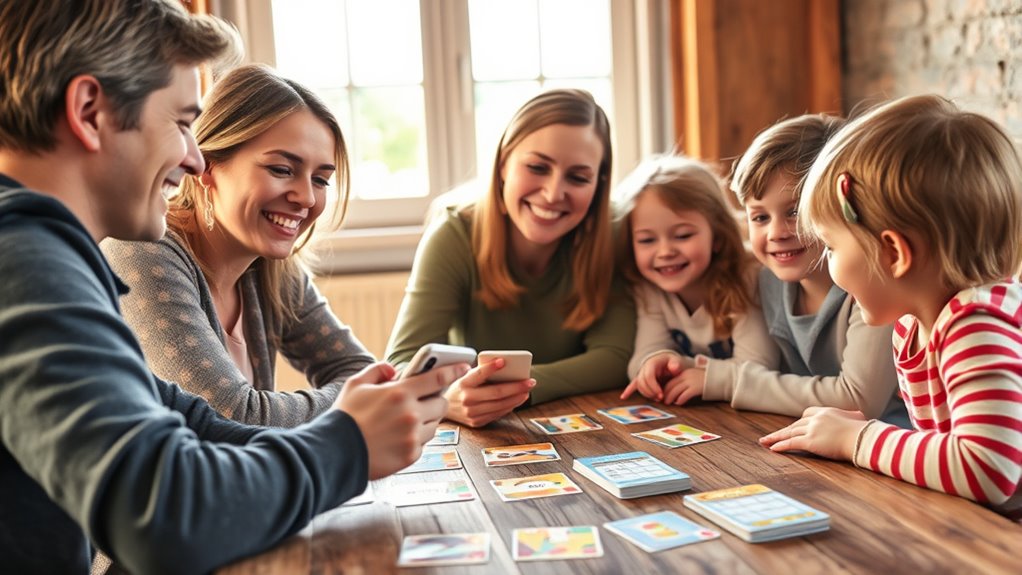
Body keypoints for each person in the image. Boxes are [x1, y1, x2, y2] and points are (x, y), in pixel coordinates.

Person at [0, 2, 461, 573]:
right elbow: (166, 514)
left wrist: (361, 421)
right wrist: (348, 441)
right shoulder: (23, 260)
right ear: (90, 110)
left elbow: (189, 418)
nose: (193, 158)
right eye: (181, 124)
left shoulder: (44, 253)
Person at [761, 95, 1022, 517]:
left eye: (831, 246)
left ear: (894, 253)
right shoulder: (911, 323)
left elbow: (987, 469)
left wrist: (856, 439)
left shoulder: (975, 325)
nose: (827, 262)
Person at [102, 64, 374, 426]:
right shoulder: (142, 252)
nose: (307, 198)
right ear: (208, 165)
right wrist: (363, 400)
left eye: (321, 179)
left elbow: (359, 370)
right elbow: (231, 418)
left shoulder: (271, 265)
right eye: (281, 169)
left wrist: (369, 393)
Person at [385, 89, 636, 427]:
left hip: (579, 423)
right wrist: (447, 398)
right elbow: (402, 360)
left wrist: (519, 389)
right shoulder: (454, 234)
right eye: (537, 167)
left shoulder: (615, 233)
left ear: (598, 184)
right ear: (503, 164)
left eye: (578, 177)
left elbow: (616, 357)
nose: (552, 193)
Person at [682, 113, 907, 422]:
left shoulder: (874, 288)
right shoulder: (763, 280)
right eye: (760, 217)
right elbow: (756, 368)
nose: (776, 233)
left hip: (884, 450)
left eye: (794, 212)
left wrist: (729, 381)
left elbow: (857, 400)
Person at [614, 154, 778, 404]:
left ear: (718, 236)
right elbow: (645, 354)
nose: (665, 251)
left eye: (682, 235)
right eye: (647, 240)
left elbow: (758, 366)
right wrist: (652, 365)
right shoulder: (650, 288)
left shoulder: (748, 277)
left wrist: (699, 374)